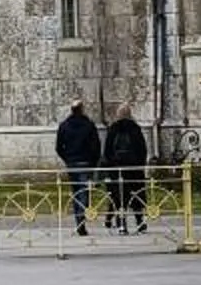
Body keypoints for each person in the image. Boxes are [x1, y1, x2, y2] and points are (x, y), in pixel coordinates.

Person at [55, 96, 103, 236]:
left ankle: (79, 220)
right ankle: (81, 220)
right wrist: (93, 162)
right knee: (83, 192)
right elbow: (96, 146)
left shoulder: (64, 125)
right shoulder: (89, 125)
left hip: (72, 163)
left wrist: (67, 159)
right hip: (85, 162)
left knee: (76, 192)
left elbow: (59, 147)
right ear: (81, 109)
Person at [102, 104, 149, 232]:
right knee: (136, 197)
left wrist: (110, 167)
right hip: (134, 169)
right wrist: (141, 166)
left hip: (117, 170)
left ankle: (122, 225)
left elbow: (107, 151)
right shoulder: (135, 129)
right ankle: (140, 222)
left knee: (119, 198)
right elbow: (142, 150)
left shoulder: (113, 129)